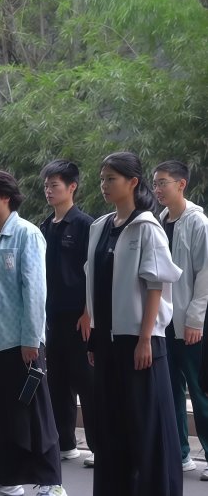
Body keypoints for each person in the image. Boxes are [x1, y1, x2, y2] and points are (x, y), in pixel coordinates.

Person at [0, 170, 67, 496]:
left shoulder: (26, 234)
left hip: (16, 339)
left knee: (30, 409)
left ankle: (51, 482)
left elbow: (34, 289)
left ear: (6, 196)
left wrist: (32, 338)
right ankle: (4, 480)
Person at [87, 152, 184, 495]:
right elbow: (95, 283)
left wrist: (146, 339)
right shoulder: (100, 227)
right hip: (106, 339)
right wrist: (93, 336)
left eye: (111, 178)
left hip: (139, 341)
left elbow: (156, 285)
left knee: (148, 426)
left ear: (132, 182)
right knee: (111, 426)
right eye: (102, 178)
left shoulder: (146, 227)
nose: (104, 185)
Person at [37, 160, 96, 467]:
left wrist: (88, 313)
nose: (48, 190)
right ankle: (65, 443)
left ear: (72, 187)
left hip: (79, 317)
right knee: (58, 383)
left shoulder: (86, 225)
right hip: (52, 318)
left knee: (87, 382)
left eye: (54, 185)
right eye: (46, 185)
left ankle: (100, 447)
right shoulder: (44, 227)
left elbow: (93, 273)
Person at [152, 160, 208, 480]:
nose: (157, 189)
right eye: (155, 184)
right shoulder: (158, 221)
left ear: (181, 184)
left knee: (200, 393)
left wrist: (195, 321)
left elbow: (205, 275)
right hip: (164, 323)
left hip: (190, 323)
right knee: (170, 391)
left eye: (163, 182)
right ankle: (179, 454)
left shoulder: (198, 222)